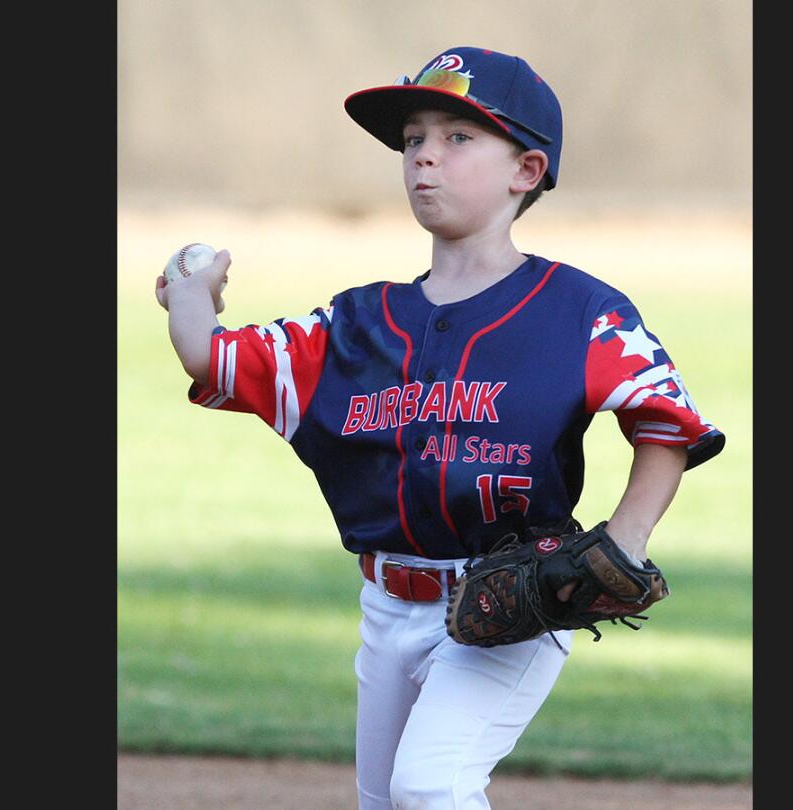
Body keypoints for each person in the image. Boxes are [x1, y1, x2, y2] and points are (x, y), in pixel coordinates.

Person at [155, 45, 726, 810]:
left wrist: (625, 538)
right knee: (386, 801)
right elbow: (215, 360)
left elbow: (666, 422)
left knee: (432, 784)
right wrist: (191, 296)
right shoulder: (356, 322)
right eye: (415, 137)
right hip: (386, 608)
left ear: (526, 171)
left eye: (458, 138)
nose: (426, 156)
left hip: (512, 604)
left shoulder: (580, 313)